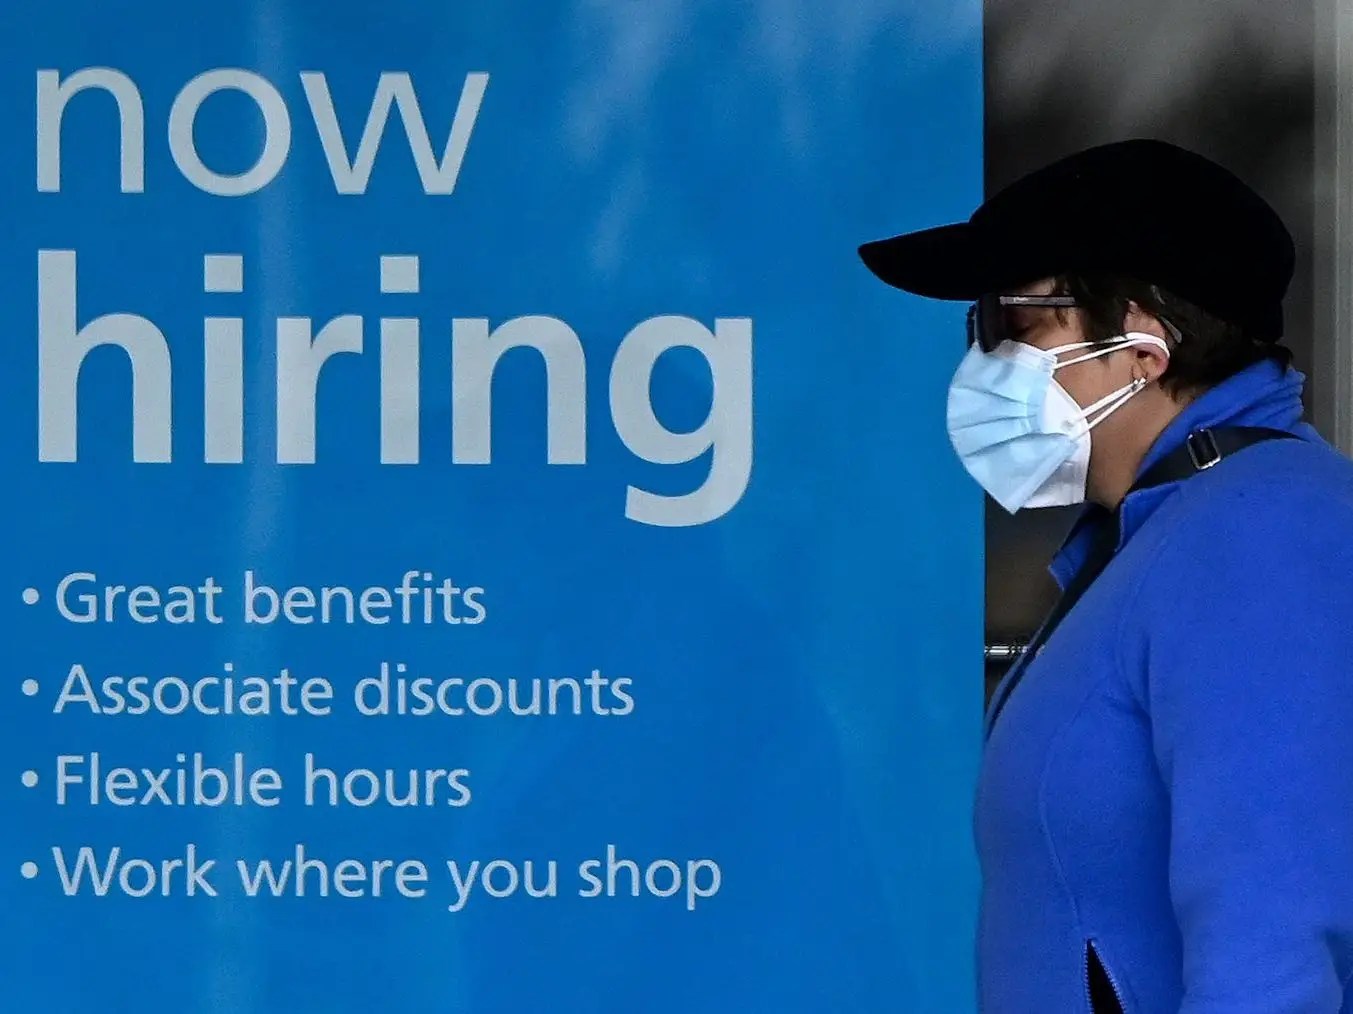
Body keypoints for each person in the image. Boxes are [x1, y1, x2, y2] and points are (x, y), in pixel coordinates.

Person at [858, 138, 1353, 1013]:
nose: (983, 360)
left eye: (1014, 324)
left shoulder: (1261, 525)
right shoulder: (1156, 534)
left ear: (1142, 343)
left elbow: (1274, 941)